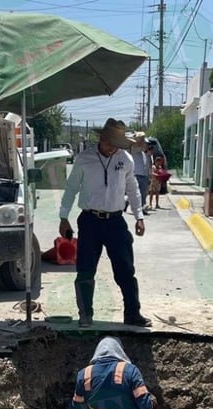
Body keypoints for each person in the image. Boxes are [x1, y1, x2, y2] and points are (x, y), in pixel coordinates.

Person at [59, 118, 151, 328]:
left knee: (126, 268)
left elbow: (133, 188)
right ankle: (85, 315)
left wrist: (139, 216)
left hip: (116, 222)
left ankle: (132, 314)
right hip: (90, 221)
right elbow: (72, 187)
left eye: (117, 143)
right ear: (101, 138)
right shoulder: (84, 159)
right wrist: (63, 218)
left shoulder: (125, 159)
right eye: (111, 142)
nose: (113, 147)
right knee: (85, 269)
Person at [130, 133, 153, 215]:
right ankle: (139, 209)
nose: (146, 145)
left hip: (143, 175)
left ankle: (142, 208)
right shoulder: (134, 148)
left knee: (143, 193)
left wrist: (149, 176)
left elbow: (146, 165)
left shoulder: (143, 153)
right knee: (137, 193)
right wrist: (140, 139)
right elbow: (141, 147)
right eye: (145, 143)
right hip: (137, 174)